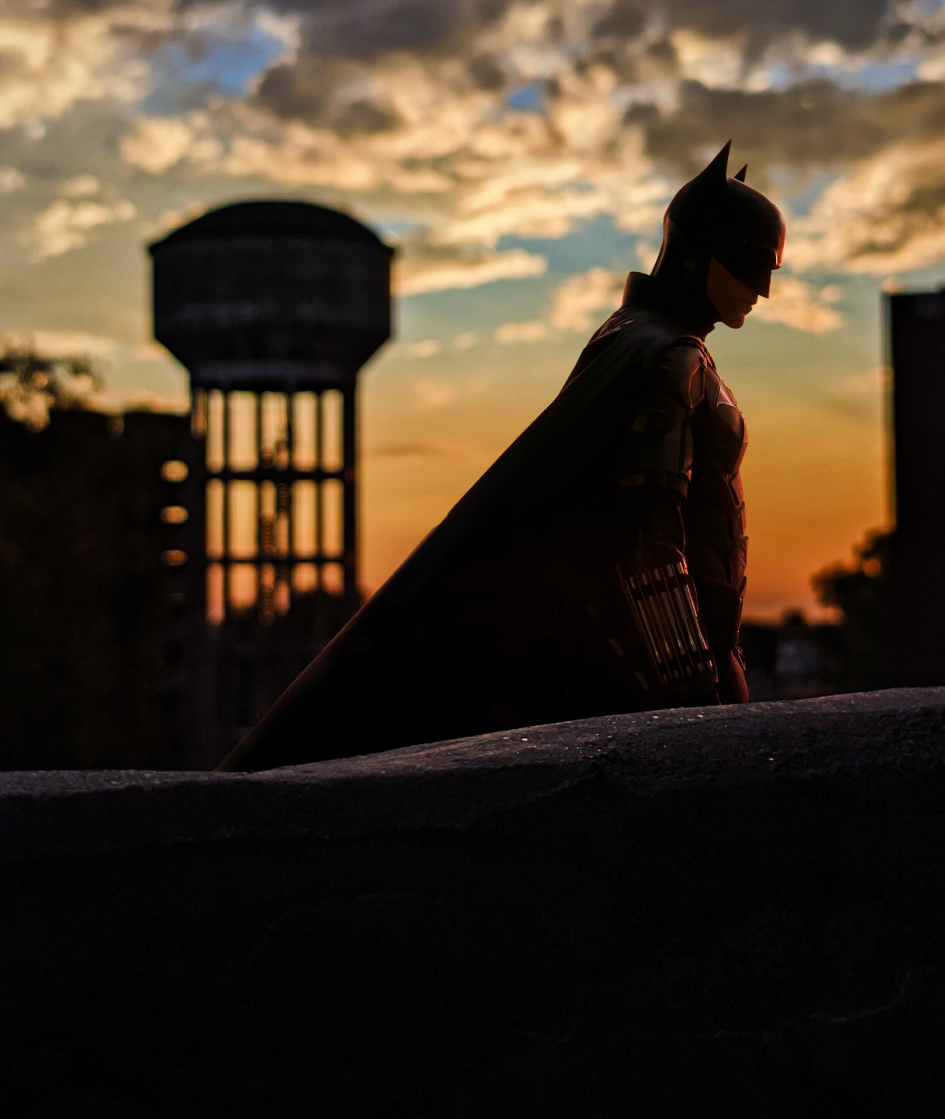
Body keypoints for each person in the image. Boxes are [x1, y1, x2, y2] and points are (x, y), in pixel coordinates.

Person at [217, 142, 784, 772]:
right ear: (700, 251)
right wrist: (690, 686)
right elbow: (649, 542)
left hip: (675, 664)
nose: (762, 289)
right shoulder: (663, 357)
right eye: (749, 264)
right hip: (656, 678)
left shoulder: (635, 341)